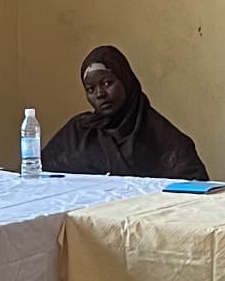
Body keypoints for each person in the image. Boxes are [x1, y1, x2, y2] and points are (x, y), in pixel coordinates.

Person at [41, 45, 209, 181]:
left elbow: (194, 189)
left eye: (107, 83)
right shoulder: (78, 133)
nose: (100, 94)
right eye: (90, 89)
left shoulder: (161, 137)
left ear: (126, 81)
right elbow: (38, 175)